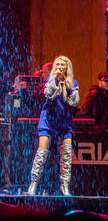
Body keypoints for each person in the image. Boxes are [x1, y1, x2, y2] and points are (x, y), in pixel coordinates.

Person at [27, 56, 79, 196]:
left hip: (64, 121)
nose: (61, 67)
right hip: (48, 120)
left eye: (63, 65)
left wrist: (68, 86)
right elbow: (48, 94)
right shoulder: (50, 80)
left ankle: (65, 186)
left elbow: (75, 102)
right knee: (42, 153)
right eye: (58, 64)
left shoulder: (73, 83)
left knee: (66, 155)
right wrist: (56, 80)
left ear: (67, 67)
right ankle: (33, 184)